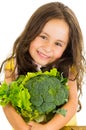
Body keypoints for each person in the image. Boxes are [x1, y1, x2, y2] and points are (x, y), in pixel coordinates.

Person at [0, 1, 85, 130]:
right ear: (31, 32)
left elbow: (72, 104)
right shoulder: (13, 65)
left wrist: (47, 129)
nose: (47, 48)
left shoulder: (68, 68)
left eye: (58, 44)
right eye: (43, 37)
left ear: (66, 48)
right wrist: (24, 128)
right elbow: (7, 103)